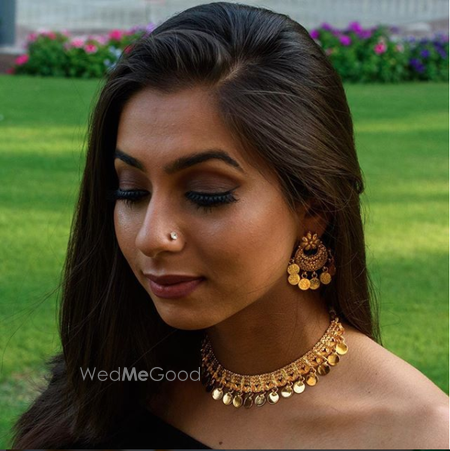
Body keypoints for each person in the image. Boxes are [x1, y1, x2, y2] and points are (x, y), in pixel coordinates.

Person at [12, 1, 449, 449]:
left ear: (314, 206)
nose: (151, 236)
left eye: (207, 194)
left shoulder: (419, 434)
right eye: (132, 192)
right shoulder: (116, 384)